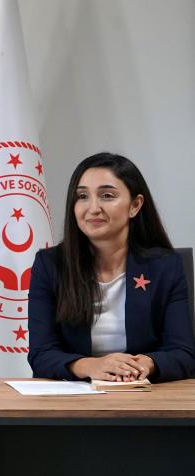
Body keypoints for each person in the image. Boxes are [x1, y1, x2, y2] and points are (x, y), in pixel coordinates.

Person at [28, 152, 195, 382]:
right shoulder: (50, 265)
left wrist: (146, 364)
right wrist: (91, 366)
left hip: (143, 392)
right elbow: (41, 354)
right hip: (74, 395)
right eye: (82, 196)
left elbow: (183, 353)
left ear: (135, 205)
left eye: (107, 195)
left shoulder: (165, 266)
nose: (93, 208)